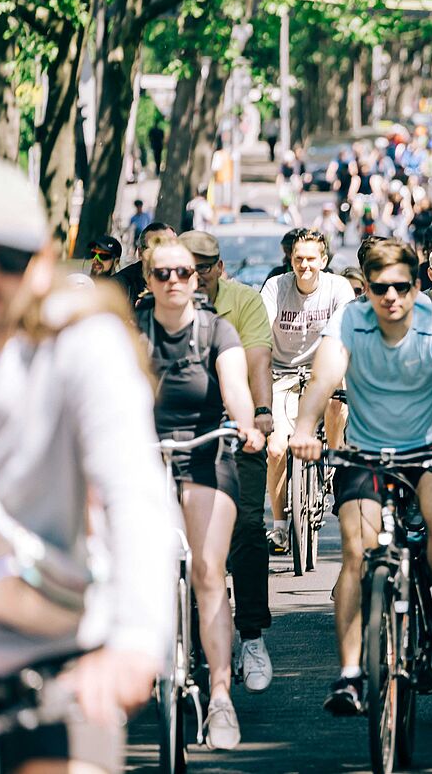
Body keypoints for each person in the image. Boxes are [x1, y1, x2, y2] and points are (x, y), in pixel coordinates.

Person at [0, 157, 178, 774]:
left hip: (63, 650)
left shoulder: (81, 346)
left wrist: (136, 641)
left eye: (10, 257)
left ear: (44, 262)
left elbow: (134, 493)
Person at [289, 240, 432, 716]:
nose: (391, 297)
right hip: (366, 453)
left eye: (401, 286)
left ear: (417, 285)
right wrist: (302, 429)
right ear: (367, 291)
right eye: (379, 288)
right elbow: (323, 378)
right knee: (357, 550)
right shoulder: (350, 322)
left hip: (431, 448)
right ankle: (351, 675)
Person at [136, 239, 266, 749]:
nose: (174, 281)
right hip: (146, 457)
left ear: (198, 278)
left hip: (207, 456)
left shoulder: (217, 330)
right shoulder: (134, 334)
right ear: (147, 281)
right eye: (162, 273)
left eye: (184, 273)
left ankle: (219, 697)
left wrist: (246, 423)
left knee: (210, 573)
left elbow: (234, 386)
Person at [180, 230, 277, 692]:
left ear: (219, 266)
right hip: (173, 438)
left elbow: (255, 361)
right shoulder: (149, 311)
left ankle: (252, 635)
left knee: (247, 530)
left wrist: (258, 417)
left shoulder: (240, 305)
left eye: (203, 266)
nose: (193, 276)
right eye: (183, 267)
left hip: (230, 428)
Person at [261, 229, 355, 552]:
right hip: (281, 375)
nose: (304, 265)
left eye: (311, 259)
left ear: (323, 260)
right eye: (298, 259)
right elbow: (263, 325)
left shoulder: (338, 288)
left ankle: (333, 456)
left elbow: (345, 331)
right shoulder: (276, 287)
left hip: (322, 373)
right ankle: (279, 525)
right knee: (275, 450)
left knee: (335, 397)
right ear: (290, 260)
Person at [111, 220, 176, 306]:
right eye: (153, 248)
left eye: (168, 247)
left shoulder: (184, 280)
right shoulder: (119, 286)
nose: (160, 255)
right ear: (140, 253)